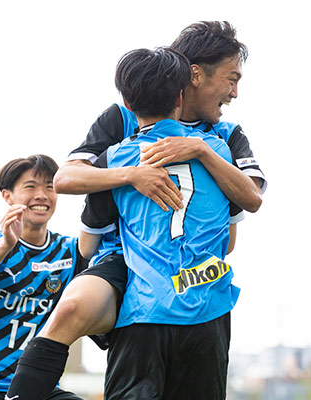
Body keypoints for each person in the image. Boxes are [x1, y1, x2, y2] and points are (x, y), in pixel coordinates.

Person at [6, 21, 266, 399]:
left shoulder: (224, 138)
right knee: (70, 307)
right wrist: (132, 175)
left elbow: (250, 199)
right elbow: (67, 178)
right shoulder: (123, 119)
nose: (235, 92)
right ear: (194, 76)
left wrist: (199, 150)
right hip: (123, 259)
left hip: (193, 272)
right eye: (232, 78)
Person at [85, 46, 239, 399]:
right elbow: (232, 237)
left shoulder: (115, 159)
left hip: (144, 311)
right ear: (181, 96)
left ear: (127, 103)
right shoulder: (220, 149)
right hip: (208, 310)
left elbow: (87, 244)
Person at [0, 155, 86, 400]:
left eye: (49, 187)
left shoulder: (70, 251)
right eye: (30, 186)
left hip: (37, 386)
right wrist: (6, 244)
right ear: (8, 196)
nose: (42, 195)